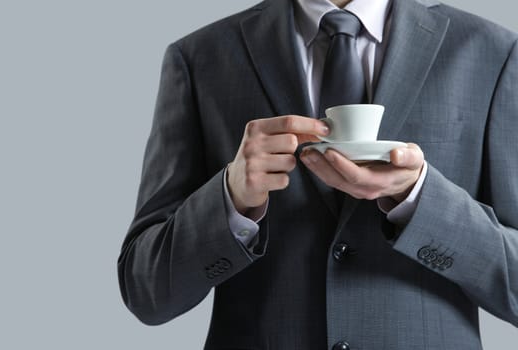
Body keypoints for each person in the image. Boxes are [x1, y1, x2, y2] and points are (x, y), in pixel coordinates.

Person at [117, 0, 518, 348]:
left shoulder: (493, 52)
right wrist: (229, 201)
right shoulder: (199, 57)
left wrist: (420, 200)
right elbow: (147, 292)